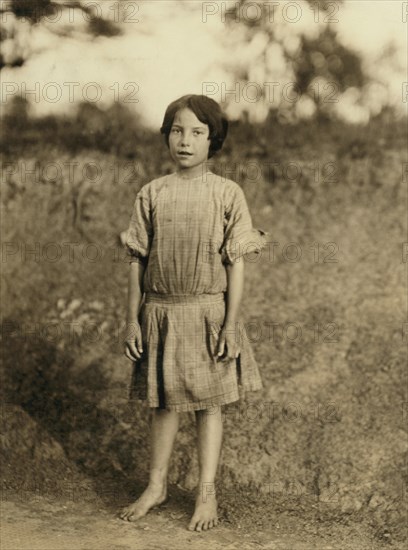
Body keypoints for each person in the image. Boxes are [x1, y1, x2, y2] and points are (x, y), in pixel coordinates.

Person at [119, 94, 268, 532]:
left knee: (209, 405)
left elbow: (235, 264)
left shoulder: (226, 193)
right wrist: (132, 320)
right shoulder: (151, 193)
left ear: (212, 140)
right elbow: (136, 262)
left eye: (197, 133)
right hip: (160, 312)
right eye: (177, 131)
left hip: (207, 313)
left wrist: (230, 323)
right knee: (162, 404)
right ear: (167, 136)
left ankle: (206, 493)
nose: (185, 141)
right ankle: (156, 485)